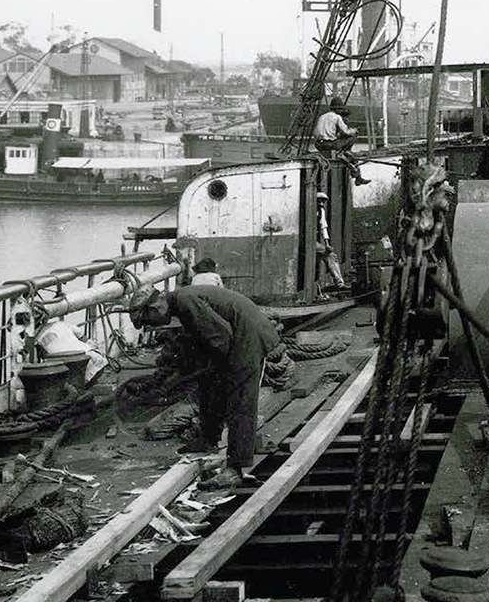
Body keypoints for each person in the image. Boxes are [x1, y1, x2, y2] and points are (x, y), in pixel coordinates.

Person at [131, 283, 282, 490]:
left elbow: (220, 339)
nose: (154, 326)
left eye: (150, 322)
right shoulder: (181, 302)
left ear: (154, 308)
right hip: (237, 335)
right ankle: (209, 438)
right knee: (209, 386)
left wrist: (204, 369)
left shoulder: (185, 301)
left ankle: (234, 469)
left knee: (239, 400)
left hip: (246, 337)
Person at [313, 99, 370, 185]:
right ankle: (345, 151)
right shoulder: (337, 117)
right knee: (353, 134)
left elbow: (315, 133)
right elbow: (346, 131)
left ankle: (344, 153)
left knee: (340, 141)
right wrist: (354, 130)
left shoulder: (322, 117)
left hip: (318, 144)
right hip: (330, 145)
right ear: (338, 109)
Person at [314, 190, 348, 293]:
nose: (321, 204)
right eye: (318, 201)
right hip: (306, 240)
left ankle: (339, 284)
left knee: (330, 255)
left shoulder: (321, 211)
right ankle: (339, 283)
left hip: (314, 242)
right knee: (330, 256)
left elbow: (323, 227)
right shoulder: (309, 209)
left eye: (323, 202)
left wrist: (327, 244)